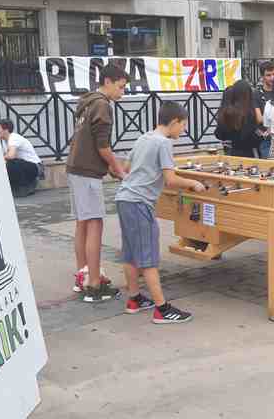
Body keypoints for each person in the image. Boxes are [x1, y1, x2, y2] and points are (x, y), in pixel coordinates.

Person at [114, 102, 206, 323]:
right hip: (139, 203)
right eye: (183, 126)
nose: (183, 131)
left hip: (124, 199)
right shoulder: (163, 144)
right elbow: (171, 179)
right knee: (148, 258)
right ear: (174, 122)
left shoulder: (143, 137)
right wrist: (193, 183)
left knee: (130, 253)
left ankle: (134, 299)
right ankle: (162, 309)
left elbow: (126, 169)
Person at [66, 64, 128, 302]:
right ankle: (93, 283)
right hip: (87, 171)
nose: (122, 93)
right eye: (121, 87)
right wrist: (118, 168)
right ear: (108, 81)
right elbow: (103, 146)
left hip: (75, 168)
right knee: (95, 223)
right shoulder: (102, 104)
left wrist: (110, 166)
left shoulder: (87, 101)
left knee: (83, 222)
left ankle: (83, 274)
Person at [216, 80, 263, 158]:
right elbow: (251, 137)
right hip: (248, 153)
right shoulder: (249, 112)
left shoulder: (228, 111)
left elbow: (219, 133)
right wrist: (261, 135)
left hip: (233, 151)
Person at [0, 119, 42, 197]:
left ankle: (24, 188)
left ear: (6, 130)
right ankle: (13, 188)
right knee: (6, 164)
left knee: (11, 163)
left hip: (35, 167)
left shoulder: (13, 138)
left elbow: (11, 155)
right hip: (26, 167)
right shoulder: (4, 141)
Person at [254, 62, 274, 158]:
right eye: (268, 75)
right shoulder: (257, 94)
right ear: (262, 77)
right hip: (267, 139)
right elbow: (259, 119)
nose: (272, 77)